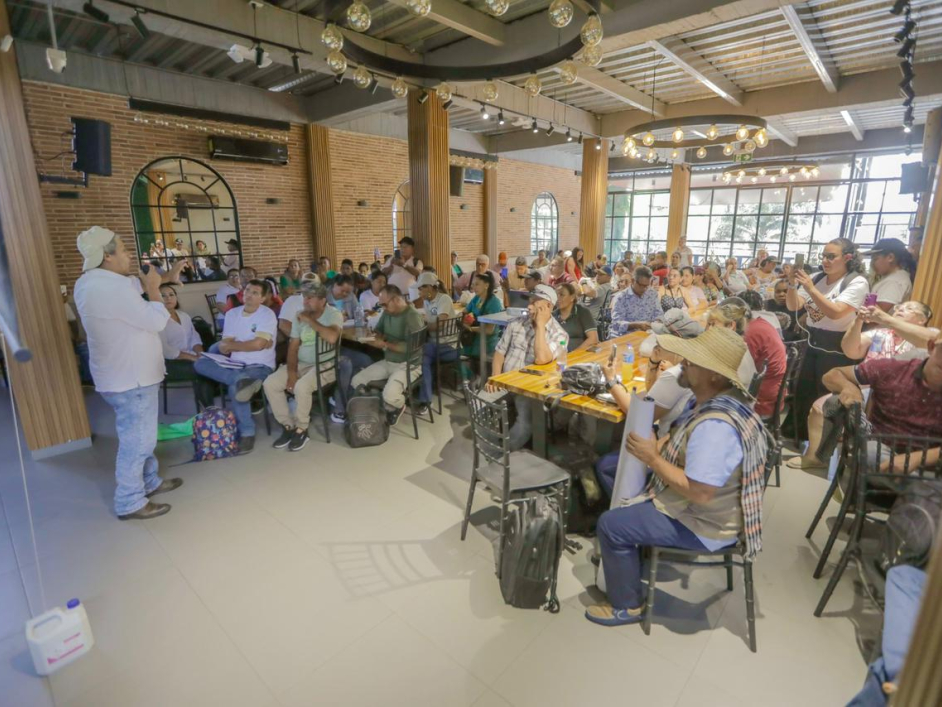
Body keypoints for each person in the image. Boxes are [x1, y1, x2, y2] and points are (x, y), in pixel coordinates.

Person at [585, 327, 768, 627]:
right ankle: (633, 553)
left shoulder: (715, 427)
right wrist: (658, 449)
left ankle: (628, 605)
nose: (683, 363)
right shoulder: (716, 401)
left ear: (714, 376)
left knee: (610, 525)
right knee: (611, 469)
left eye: (692, 361)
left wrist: (653, 458)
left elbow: (700, 493)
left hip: (705, 523)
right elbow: (680, 438)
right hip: (708, 509)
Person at [73, 226, 182, 520]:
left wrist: (166, 277)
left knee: (141, 433)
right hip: (132, 378)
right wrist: (155, 290)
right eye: (123, 249)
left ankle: (150, 481)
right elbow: (156, 320)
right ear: (107, 256)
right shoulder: (111, 288)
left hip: (119, 375)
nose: (129, 255)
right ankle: (129, 501)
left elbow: (135, 285)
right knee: (138, 441)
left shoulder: (90, 282)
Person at [785, 237, 870, 440]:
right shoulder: (816, 277)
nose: (825, 260)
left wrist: (810, 289)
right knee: (803, 390)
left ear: (847, 258)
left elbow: (836, 312)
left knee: (827, 395)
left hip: (837, 346)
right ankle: (799, 435)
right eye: (823, 256)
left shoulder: (856, 282)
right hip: (811, 340)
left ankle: (823, 443)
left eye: (831, 256)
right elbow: (793, 306)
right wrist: (791, 284)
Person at [822, 330, 942, 471]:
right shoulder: (894, 369)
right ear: (931, 347)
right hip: (882, 451)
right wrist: (849, 388)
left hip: (933, 465)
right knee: (871, 452)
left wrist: (917, 458)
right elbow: (833, 374)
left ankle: (915, 484)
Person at [193, 279, 278, 454]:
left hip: (260, 365)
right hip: (235, 365)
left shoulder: (266, 314)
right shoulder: (232, 314)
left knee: (236, 388)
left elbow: (258, 345)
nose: (249, 295)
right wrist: (249, 344)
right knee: (200, 363)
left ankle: (247, 433)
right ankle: (241, 379)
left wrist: (238, 344)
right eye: (247, 290)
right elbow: (225, 346)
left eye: (255, 293)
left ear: (262, 298)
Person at [488, 285, 569, 450]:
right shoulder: (516, 324)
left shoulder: (559, 334)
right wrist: (495, 377)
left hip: (527, 389)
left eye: (534, 302)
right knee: (481, 407)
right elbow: (499, 352)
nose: (529, 306)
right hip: (505, 382)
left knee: (525, 423)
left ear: (548, 306)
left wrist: (540, 325)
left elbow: (542, 359)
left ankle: (501, 453)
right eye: (529, 302)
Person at [264, 284, 343, 452]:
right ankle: (288, 425)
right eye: (304, 298)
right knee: (270, 384)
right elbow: (293, 346)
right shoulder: (299, 315)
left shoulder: (333, 315)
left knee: (301, 387)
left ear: (322, 300)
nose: (305, 302)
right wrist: (292, 373)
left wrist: (310, 321)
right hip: (301, 364)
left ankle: (302, 429)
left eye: (310, 298)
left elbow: (332, 337)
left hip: (325, 365)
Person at [350, 285, 426, 425]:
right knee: (357, 381)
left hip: (409, 363)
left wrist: (385, 345)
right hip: (389, 360)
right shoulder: (387, 313)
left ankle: (398, 405)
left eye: (384, 304)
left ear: (396, 299)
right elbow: (379, 330)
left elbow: (412, 347)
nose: (383, 307)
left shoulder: (412, 316)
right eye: (381, 304)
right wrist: (371, 335)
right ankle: (380, 405)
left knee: (390, 395)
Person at [710, 296, 786, 420]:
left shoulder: (749, 334)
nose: (710, 329)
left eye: (714, 323)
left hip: (760, 403)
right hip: (772, 393)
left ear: (731, 324)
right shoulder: (759, 323)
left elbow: (735, 375)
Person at [416, 272, 457, 413]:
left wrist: (422, 326)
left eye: (421, 288)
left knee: (421, 354)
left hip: (449, 346)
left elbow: (439, 325)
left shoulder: (444, 299)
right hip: (434, 345)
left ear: (429, 287)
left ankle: (424, 398)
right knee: (423, 358)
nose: (419, 291)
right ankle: (425, 399)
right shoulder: (427, 301)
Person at [842, 301, 937, 362]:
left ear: (922, 319)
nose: (900, 309)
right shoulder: (879, 334)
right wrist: (858, 320)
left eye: (909, 308)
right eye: (898, 307)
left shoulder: (929, 333)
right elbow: (851, 351)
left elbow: (932, 342)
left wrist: (885, 319)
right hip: (870, 385)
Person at [157, 283, 205, 380]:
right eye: (163, 295)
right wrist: (193, 358)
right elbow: (166, 351)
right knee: (204, 369)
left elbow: (194, 338)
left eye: (171, 294)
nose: (168, 298)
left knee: (211, 363)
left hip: (190, 355)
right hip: (171, 361)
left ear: (176, 297)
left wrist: (200, 354)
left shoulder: (184, 316)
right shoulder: (157, 320)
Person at [862, 238, 914, 312]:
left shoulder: (894, 281)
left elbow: (876, 314)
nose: (872, 264)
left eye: (875, 259)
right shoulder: (892, 277)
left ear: (890, 257)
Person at [462, 270, 504, 360]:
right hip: (473, 341)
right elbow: (465, 311)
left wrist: (470, 328)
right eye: (473, 284)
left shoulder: (494, 303)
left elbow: (489, 330)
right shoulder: (477, 298)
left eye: (477, 284)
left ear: (486, 285)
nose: (474, 287)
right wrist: (466, 319)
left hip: (487, 345)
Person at [609, 266, 663, 336]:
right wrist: (636, 325)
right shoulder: (621, 297)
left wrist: (656, 323)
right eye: (641, 285)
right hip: (624, 335)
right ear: (633, 281)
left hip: (648, 334)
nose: (644, 289)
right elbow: (616, 324)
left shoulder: (652, 294)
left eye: (646, 286)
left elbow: (659, 315)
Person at [554, 283, 598, 352]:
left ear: (572, 297)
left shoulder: (582, 312)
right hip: (557, 354)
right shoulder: (552, 315)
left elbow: (593, 339)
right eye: (556, 295)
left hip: (580, 354)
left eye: (562, 295)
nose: (557, 298)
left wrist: (574, 354)